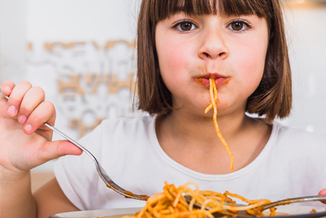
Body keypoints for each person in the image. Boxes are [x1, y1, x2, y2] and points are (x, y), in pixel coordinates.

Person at [1, 0, 326, 217]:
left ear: (271, 45)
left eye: (238, 25)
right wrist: (10, 174)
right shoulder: (109, 148)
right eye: (185, 25)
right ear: (151, 45)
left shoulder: (313, 160)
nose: (212, 47)